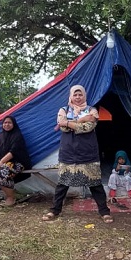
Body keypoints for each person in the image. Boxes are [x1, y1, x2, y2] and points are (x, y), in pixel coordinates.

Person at [42, 85, 113, 224]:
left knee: (95, 183)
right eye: (75, 95)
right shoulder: (63, 110)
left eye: (80, 95)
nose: (78, 97)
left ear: (84, 96)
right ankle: (54, 210)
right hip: (68, 151)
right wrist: (81, 119)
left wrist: (69, 122)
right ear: (71, 96)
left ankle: (104, 212)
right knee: (63, 183)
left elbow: (88, 127)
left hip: (87, 151)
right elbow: (62, 127)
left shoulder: (92, 110)